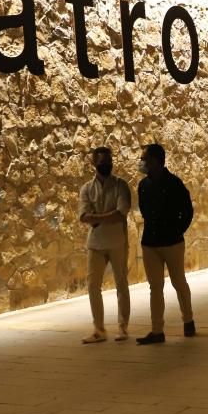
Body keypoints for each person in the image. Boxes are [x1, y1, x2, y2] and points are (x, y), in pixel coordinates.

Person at [136, 143, 195, 344]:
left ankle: (188, 320)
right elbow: (144, 210)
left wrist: (177, 230)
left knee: (178, 281)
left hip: (172, 242)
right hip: (150, 242)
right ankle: (157, 330)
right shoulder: (143, 185)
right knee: (155, 286)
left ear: (155, 160)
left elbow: (187, 211)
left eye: (144, 158)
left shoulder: (174, 184)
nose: (142, 162)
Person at [78, 147, 132, 344]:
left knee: (121, 284)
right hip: (95, 244)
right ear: (94, 163)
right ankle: (98, 329)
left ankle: (122, 328)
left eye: (108, 161)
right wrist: (106, 216)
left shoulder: (120, 186)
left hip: (117, 241)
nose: (106, 165)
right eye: (101, 162)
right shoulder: (86, 188)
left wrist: (97, 217)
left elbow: (121, 212)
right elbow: (84, 216)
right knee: (93, 286)